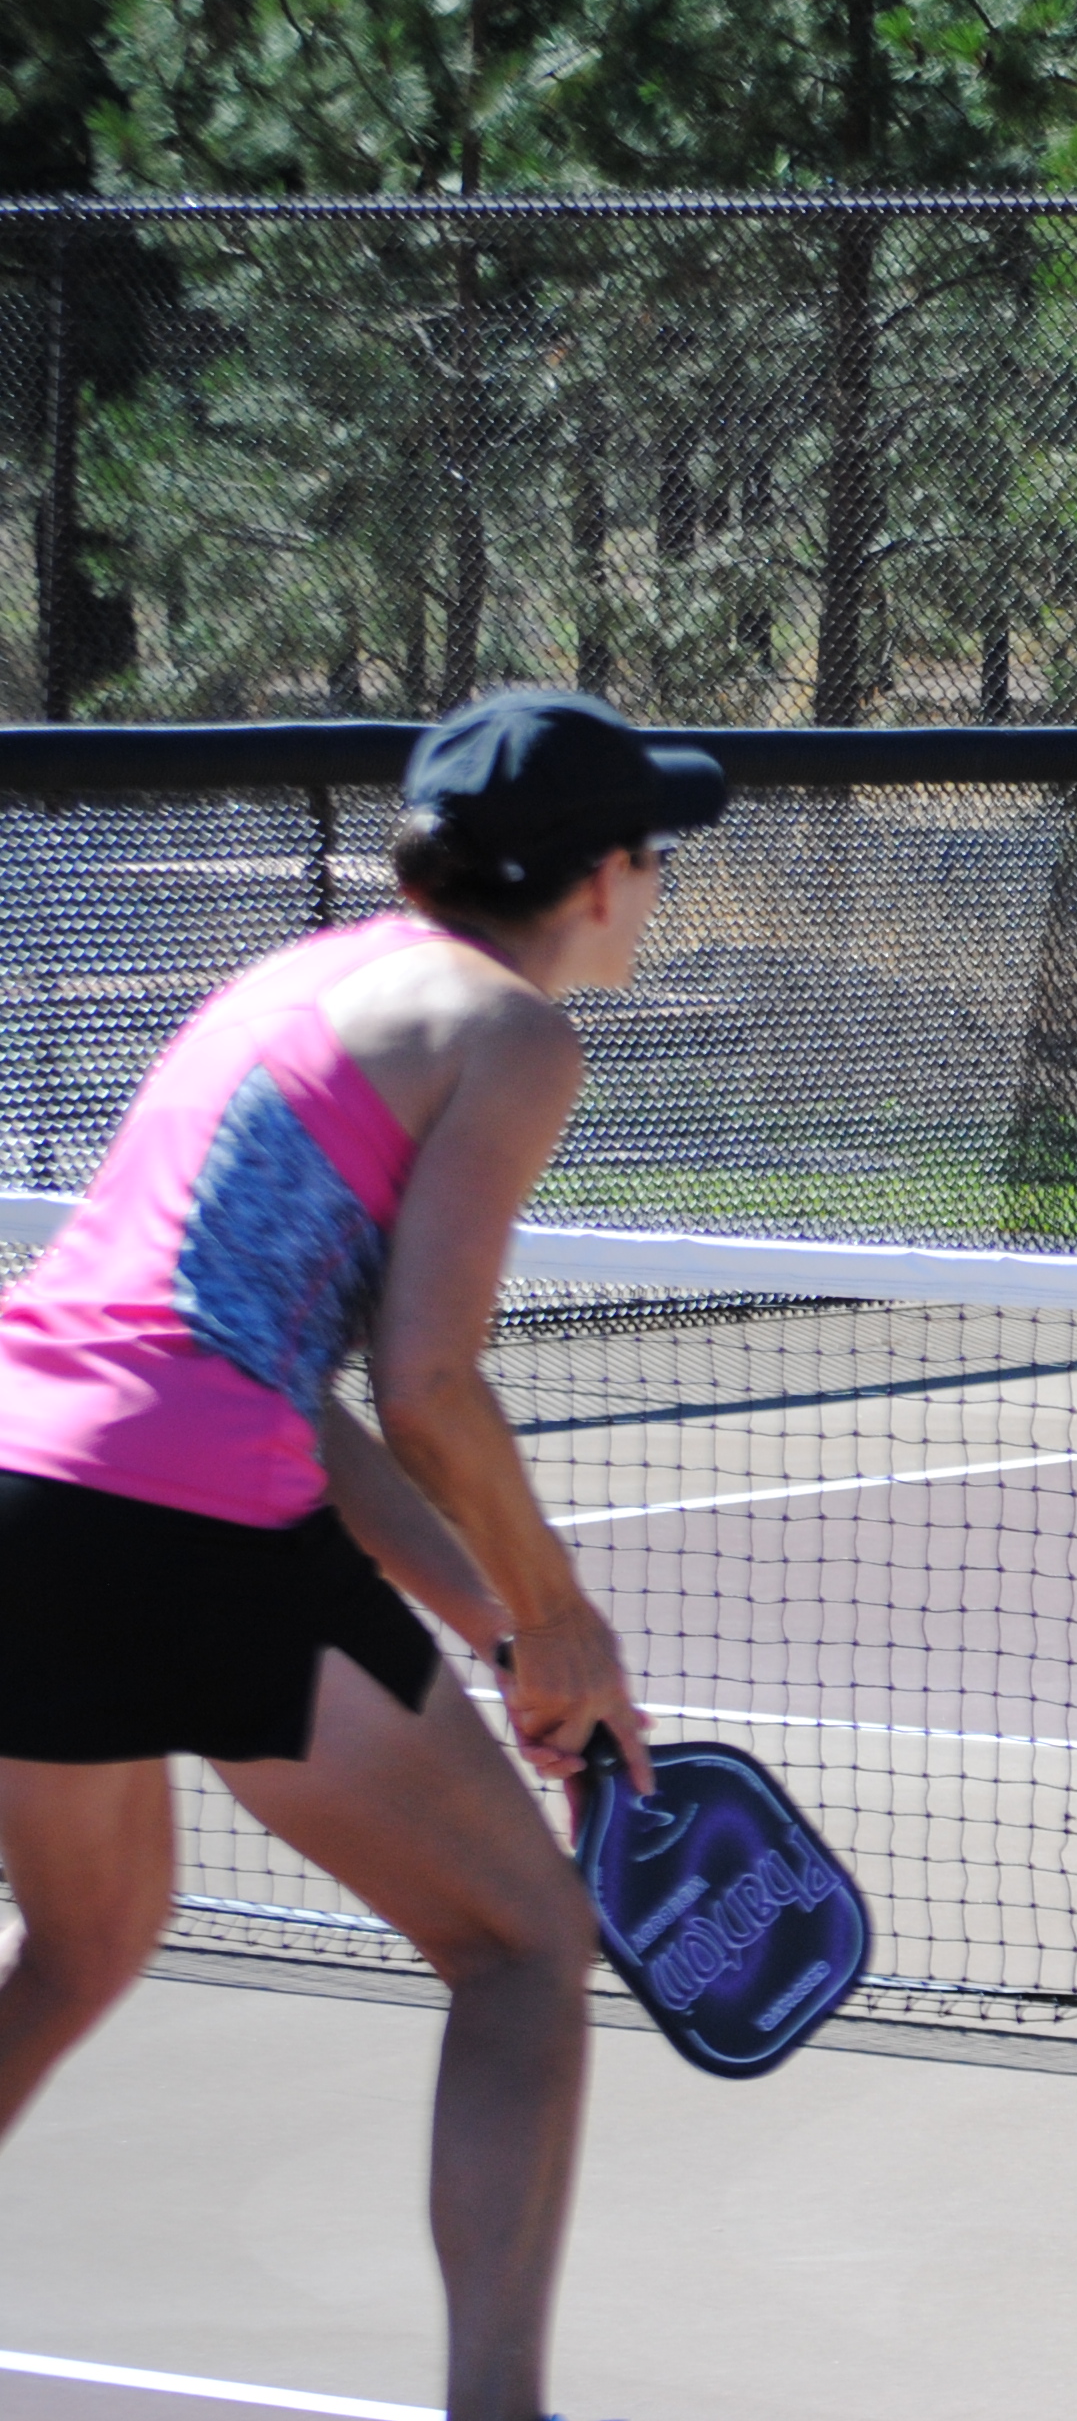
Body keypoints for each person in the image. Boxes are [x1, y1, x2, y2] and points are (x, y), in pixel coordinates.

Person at [0, 691, 721, 2421]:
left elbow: (269, 1372)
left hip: (19, 1468)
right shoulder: (514, 1031)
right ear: (604, 875)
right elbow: (427, 1380)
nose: (660, 888)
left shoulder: (291, 981)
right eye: (656, 857)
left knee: (89, 1935)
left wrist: (490, 1621)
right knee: (525, 1946)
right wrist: (566, 1625)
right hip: (178, 1520)